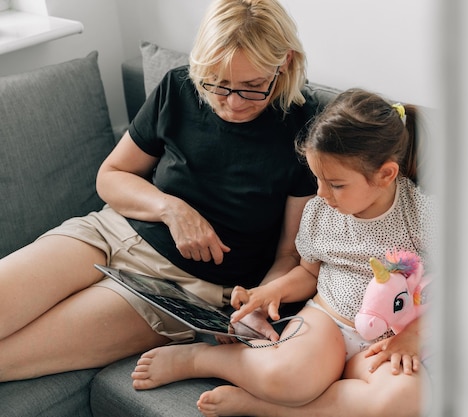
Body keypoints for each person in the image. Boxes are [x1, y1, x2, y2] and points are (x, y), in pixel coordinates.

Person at [0, 0, 320, 382]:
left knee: (8, 358)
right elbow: (111, 176)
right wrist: (172, 209)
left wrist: (256, 303)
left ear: (284, 62)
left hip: (178, 288)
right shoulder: (178, 87)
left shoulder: (306, 131)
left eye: (252, 87)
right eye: (217, 84)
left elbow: (289, 254)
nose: (232, 104)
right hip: (107, 233)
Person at [131, 88, 437, 417]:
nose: (321, 193)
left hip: (388, 338)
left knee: (408, 399)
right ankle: (199, 359)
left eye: (336, 184)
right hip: (328, 322)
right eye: (317, 178)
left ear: (386, 174)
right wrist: (270, 291)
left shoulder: (422, 215)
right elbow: (307, 273)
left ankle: (270, 409)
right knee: (288, 377)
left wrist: (414, 338)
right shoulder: (321, 211)